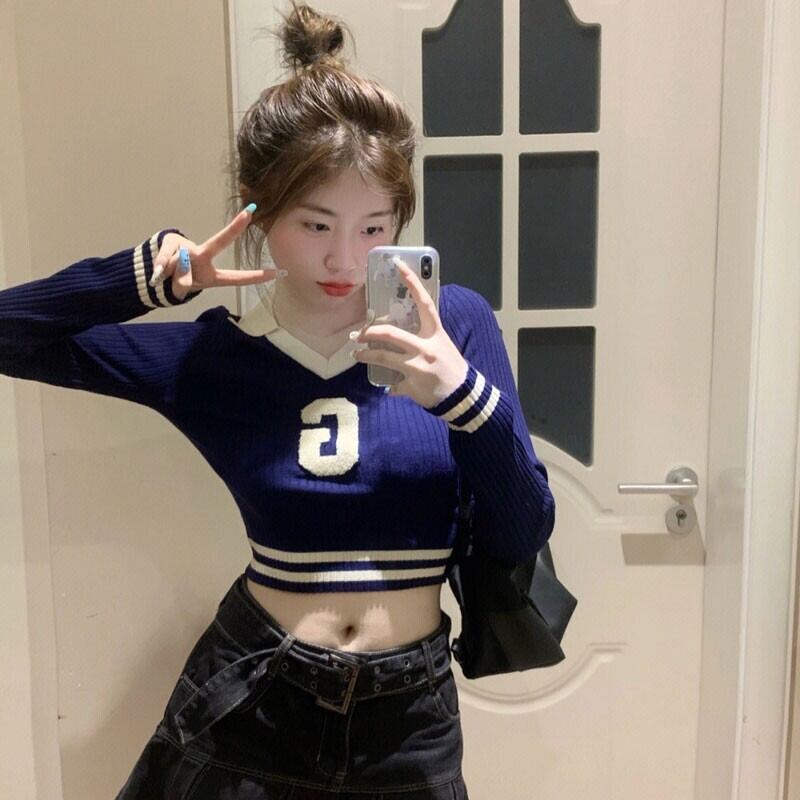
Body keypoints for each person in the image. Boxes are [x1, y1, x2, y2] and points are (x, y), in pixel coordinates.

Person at [0, 2, 555, 797]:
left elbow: (524, 526)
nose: (344, 258)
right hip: (252, 699)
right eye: (316, 224)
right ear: (256, 210)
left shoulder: (453, 326)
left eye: (374, 228)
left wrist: (462, 398)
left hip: (409, 718)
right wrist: (146, 277)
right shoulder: (213, 357)